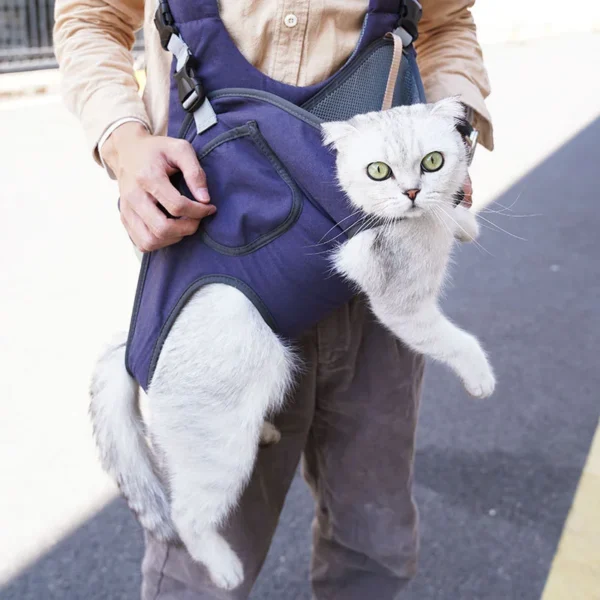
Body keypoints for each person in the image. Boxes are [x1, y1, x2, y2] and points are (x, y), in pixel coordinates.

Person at [54, 1, 493, 598]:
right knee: (202, 571)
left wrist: (454, 129)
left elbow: (444, 25)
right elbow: (92, 14)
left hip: (384, 273)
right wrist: (124, 143)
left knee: (375, 551)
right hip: (225, 285)